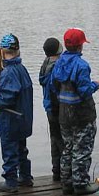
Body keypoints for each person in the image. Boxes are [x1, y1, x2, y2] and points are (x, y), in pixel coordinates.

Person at [50, 28, 99, 195]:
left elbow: (53, 86)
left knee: (68, 148)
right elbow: (85, 91)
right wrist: (95, 85)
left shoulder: (58, 63)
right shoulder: (82, 66)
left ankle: (67, 183)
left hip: (64, 114)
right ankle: (80, 185)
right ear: (80, 46)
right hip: (82, 116)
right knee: (82, 149)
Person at [0, 33, 34, 193]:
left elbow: (8, 99)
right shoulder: (21, 69)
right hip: (23, 119)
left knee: (9, 152)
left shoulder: (8, 72)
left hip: (11, 121)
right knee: (21, 150)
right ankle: (25, 178)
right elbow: (15, 93)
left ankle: (11, 182)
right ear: (18, 50)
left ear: (2, 51)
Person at [39, 37, 64, 182]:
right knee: (62, 141)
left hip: (49, 108)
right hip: (57, 108)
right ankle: (65, 174)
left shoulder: (45, 64)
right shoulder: (57, 66)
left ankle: (57, 171)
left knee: (54, 139)